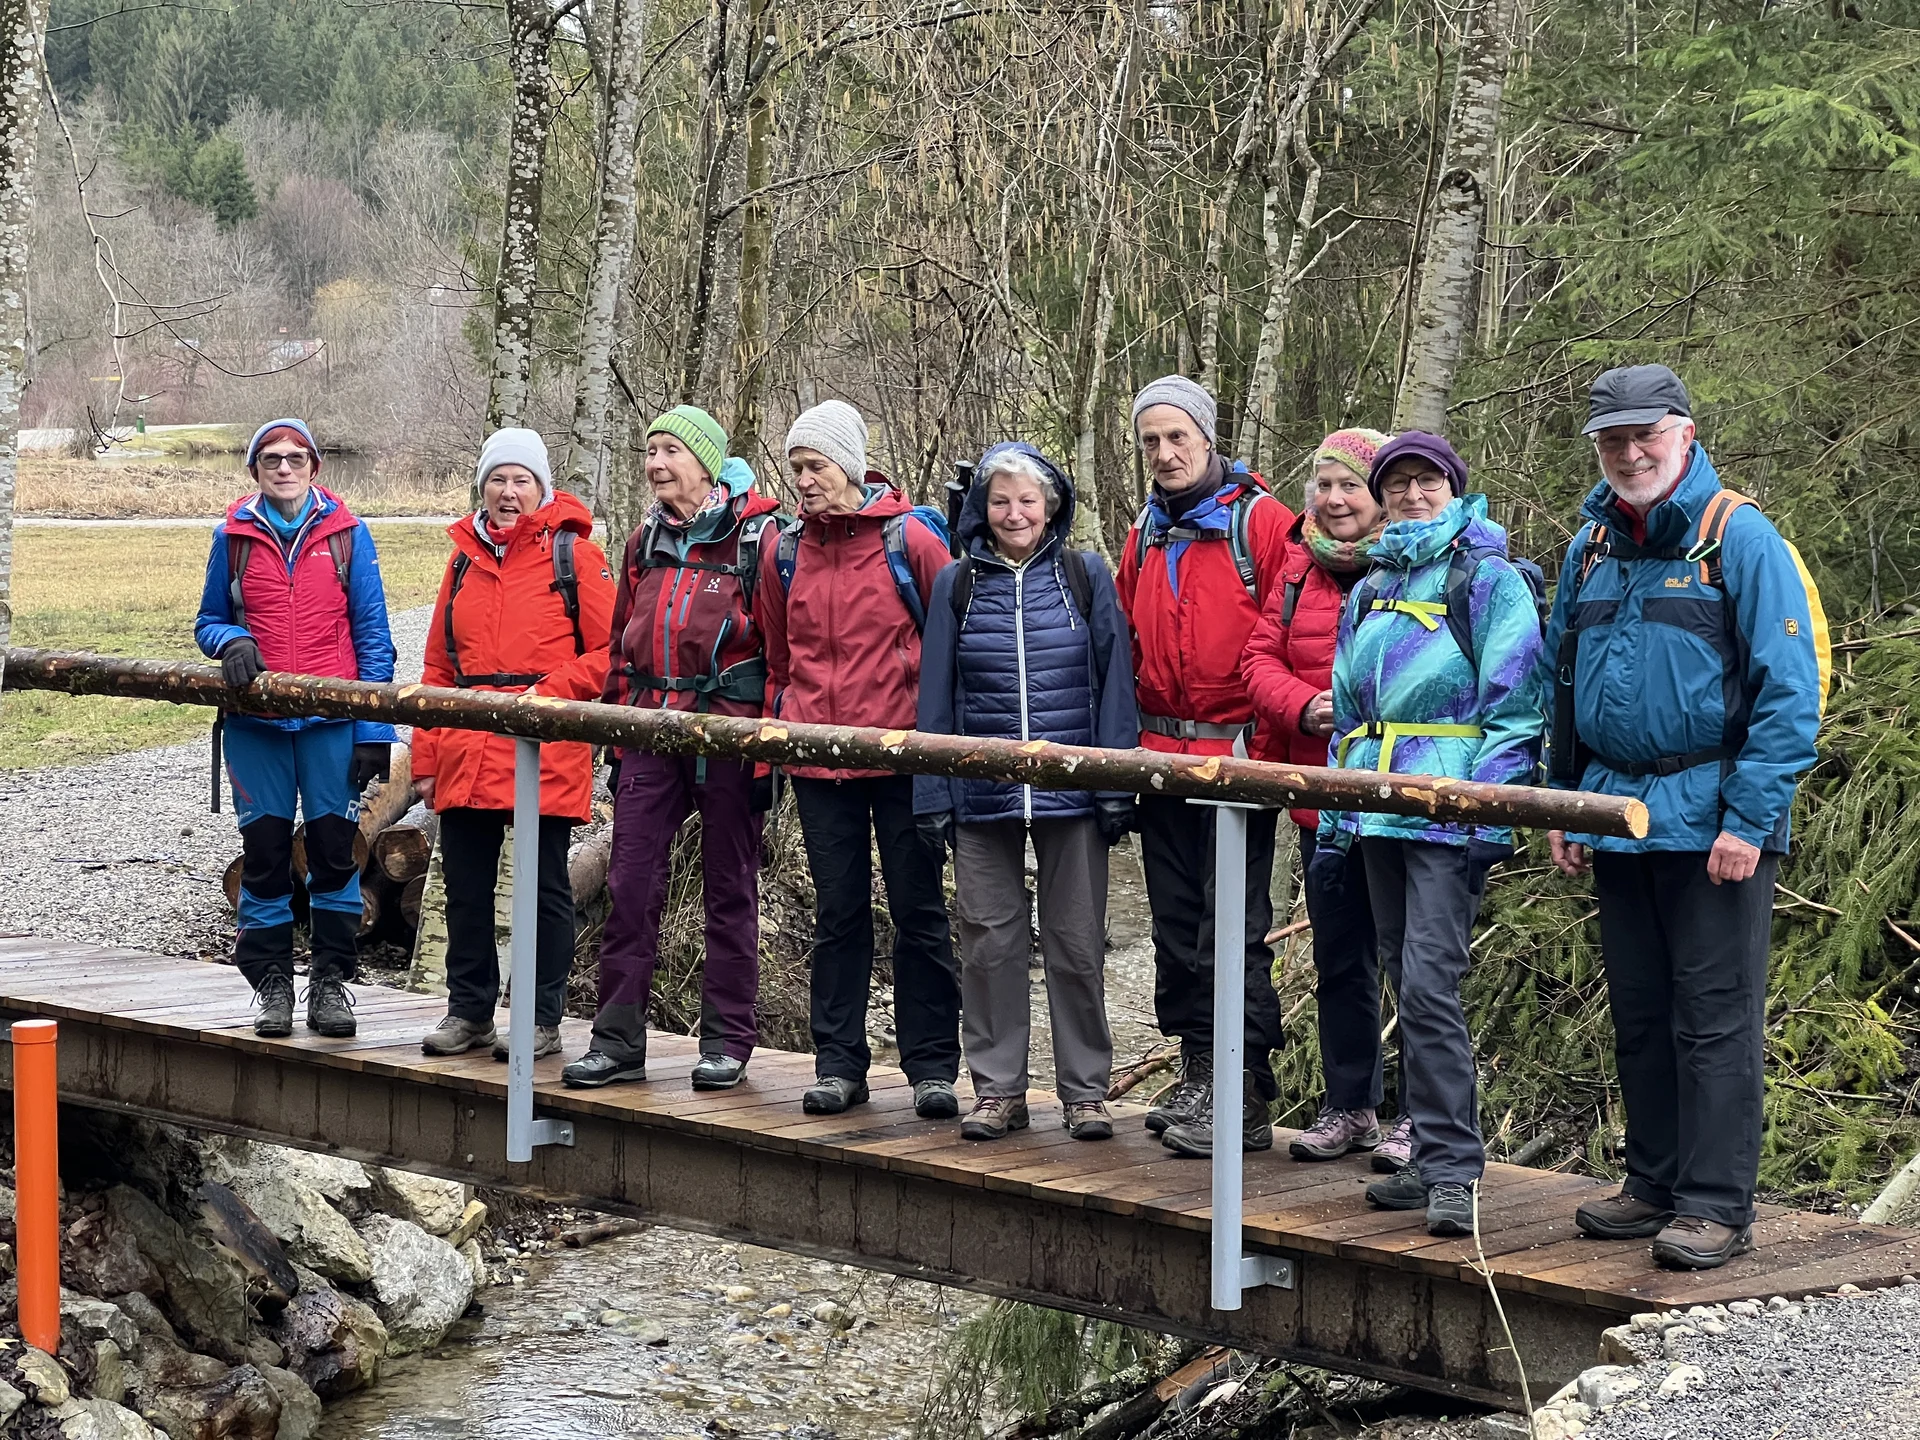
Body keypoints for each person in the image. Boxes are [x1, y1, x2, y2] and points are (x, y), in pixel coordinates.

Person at [1544, 365, 1823, 1270]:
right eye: (1612, 440)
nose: (1629, 454)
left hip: (1714, 820)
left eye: (1644, 436)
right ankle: (1653, 1183)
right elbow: (1560, 682)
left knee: (1714, 1017)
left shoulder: (1738, 538)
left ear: (1685, 434)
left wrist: (1749, 818)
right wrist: (1564, 799)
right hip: (1616, 811)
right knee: (1640, 1012)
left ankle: (1715, 1204)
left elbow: (1789, 695)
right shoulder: (1591, 546)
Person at [1316, 432, 1543, 1237]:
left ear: (1453, 486)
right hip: (1377, 805)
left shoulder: (1488, 579)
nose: (1413, 494)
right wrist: (1339, 814)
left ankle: (1452, 1168)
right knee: (1396, 974)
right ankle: (1427, 1158)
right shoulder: (1372, 584)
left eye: (1427, 481)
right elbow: (1348, 711)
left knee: (1428, 986)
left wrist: (1485, 809)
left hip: (1448, 815)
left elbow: (1516, 711)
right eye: (1399, 482)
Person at [914, 443, 1138, 1142]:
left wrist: (1113, 785)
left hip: (1072, 792)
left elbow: (1115, 684)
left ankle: (1085, 1093)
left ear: (1051, 506)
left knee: (1076, 943)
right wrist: (933, 793)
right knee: (988, 942)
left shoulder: (1084, 575)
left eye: (1027, 500)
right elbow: (935, 696)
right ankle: (999, 1090)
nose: (1014, 514)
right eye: (1001, 501)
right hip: (981, 794)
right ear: (982, 508)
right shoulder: (957, 584)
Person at [562, 407, 785, 1091]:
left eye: (670, 452)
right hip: (650, 734)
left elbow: (780, 656)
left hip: (727, 735)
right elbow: (623, 646)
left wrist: (767, 753)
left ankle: (727, 1041)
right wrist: (619, 737)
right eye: (650, 450)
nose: (656, 464)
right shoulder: (645, 542)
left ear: (706, 462)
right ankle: (617, 1040)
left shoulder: (758, 541)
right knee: (629, 886)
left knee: (728, 889)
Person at [756, 400, 962, 1118]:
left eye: (814, 467)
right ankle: (838, 1063)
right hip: (819, 761)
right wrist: (784, 733)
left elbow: (949, 644)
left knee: (919, 910)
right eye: (797, 468)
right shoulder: (782, 550)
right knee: (839, 914)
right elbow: (779, 658)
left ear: (847, 465)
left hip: (905, 757)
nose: (804, 481)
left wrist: (943, 752)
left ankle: (932, 1066)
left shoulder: (910, 541)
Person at [1115, 375, 1296, 1158]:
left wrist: (1267, 742)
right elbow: (1123, 640)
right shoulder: (1144, 532)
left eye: (1176, 437)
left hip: (1236, 758)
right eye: (1151, 441)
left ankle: (1244, 1088)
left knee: (1233, 931)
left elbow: (1290, 634)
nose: (1164, 453)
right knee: (1173, 928)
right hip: (1160, 758)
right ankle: (1196, 1067)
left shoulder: (1264, 524)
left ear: (1207, 437)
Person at [414, 428, 615, 1061]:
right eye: (498, 479)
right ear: (483, 485)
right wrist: (425, 758)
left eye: (520, 480)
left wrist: (550, 694)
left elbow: (613, 653)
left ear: (541, 487)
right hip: (467, 745)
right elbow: (438, 667)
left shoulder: (575, 558)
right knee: (465, 887)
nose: (508, 492)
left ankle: (539, 1018)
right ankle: (469, 1011)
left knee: (543, 888)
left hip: (543, 746)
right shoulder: (463, 558)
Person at [197, 418, 396, 1040]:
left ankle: (332, 983)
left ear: (315, 467)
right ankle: (272, 985)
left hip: (331, 724)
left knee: (336, 855)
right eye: (271, 459)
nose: (284, 468)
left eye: (296, 458)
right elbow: (207, 621)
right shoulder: (232, 538)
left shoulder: (348, 536)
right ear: (254, 469)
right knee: (264, 858)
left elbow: (373, 639)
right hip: (256, 727)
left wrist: (372, 732)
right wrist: (231, 639)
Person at [1242, 428, 1406, 1168]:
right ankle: (1352, 1105)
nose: (1336, 500)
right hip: (1320, 796)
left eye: (1352, 486)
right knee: (1341, 956)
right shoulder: (1298, 568)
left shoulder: (1418, 564)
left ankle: (1425, 1118)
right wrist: (1304, 707)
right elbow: (1258, 656)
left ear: (1380, 496)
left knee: (1416, 964)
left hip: (1404, 797)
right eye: (1325, 485)